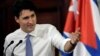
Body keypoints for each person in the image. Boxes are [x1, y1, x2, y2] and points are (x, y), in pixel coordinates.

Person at [3, 0, 80, 56]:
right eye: (26, 18)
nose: (31, 21)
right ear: (17, 19)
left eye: (32, 16)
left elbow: (64, 46)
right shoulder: (10, 40)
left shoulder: (49, 30)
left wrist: (72, 43)